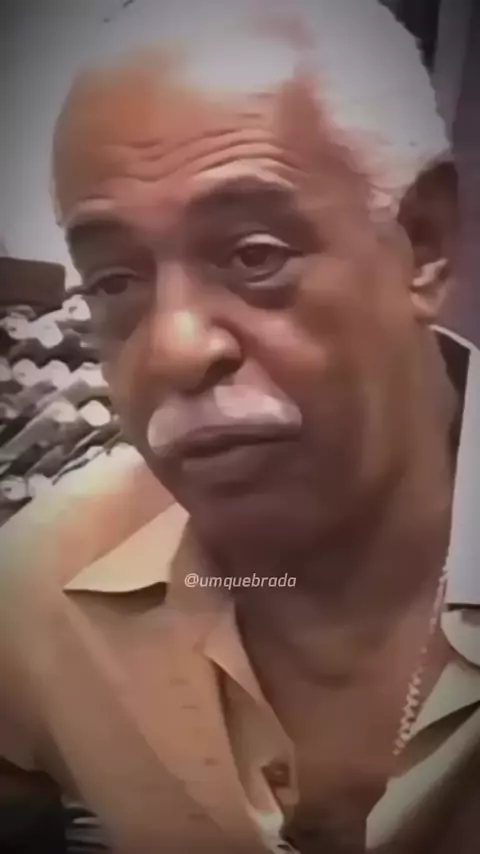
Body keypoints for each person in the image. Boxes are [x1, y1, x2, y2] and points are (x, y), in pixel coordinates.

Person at [1, 1, 479, 852]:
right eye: (115, 282)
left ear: (423, 242)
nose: (175, 350)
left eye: (255, 255)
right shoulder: (39, 589)